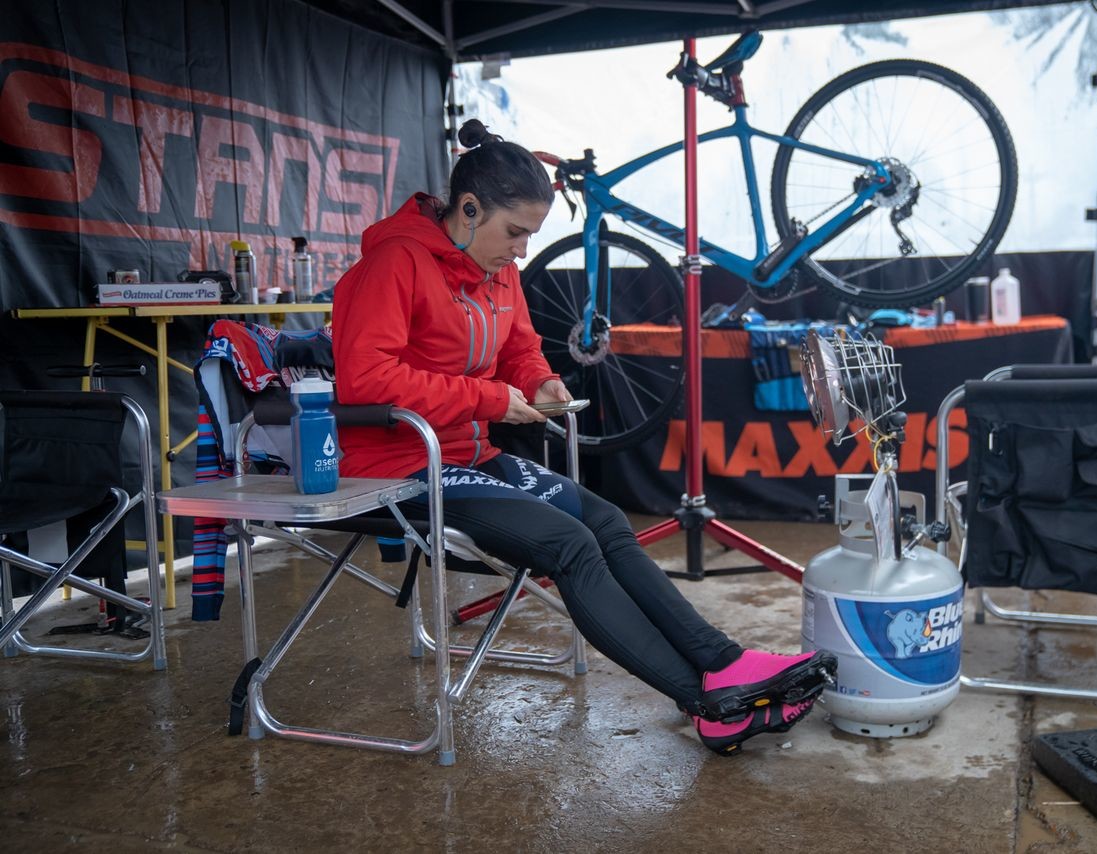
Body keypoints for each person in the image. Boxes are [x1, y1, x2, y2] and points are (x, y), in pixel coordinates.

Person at [331, 118, 835, 756]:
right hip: (395, 471)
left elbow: (519, 348)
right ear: (467, 208)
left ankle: (724, 663)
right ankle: (707, 701)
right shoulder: (394, 261)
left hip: (465, 455)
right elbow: (366, 378)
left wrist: (539, 383)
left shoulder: (496, 269)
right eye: (514, 233)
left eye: (530, 237)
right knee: (568, 543)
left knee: (603, 518)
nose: (520, 251)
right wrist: (489, 398)